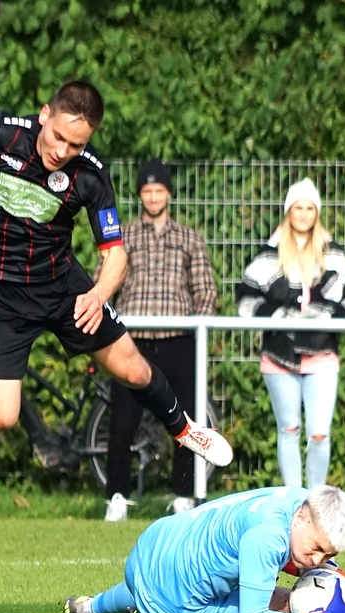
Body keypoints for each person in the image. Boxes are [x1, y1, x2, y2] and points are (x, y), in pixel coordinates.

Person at [0, 81, 232, 472]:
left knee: (134, 369)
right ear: (45, 115)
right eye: (58, 137)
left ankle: (185, 431)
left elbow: (115, 254)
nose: (62, 152)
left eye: (76, 145)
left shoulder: (91, 174)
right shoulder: (1, 132)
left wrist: (99, 294)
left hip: (62, 289)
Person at [64, 485, 345, 613]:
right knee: (282, 602)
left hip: (153, 545)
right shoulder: (269, 537)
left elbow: (298, 550)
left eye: (329, 555)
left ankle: (91, 607)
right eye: (317, 548)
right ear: (301, 518)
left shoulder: (298, 497)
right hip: (171, 605)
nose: (318, 560)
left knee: (169, 577)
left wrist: (327, 573)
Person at [102, 159, 217, 521]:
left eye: (159, 190)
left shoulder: (189, 239)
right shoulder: (123, 237)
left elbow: (205, 291)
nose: (153, 197)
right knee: (122, 421)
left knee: (184, 420)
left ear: (168, 193)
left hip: (177, 339)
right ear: (140, 195)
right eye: (147, 191)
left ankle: (183, 494)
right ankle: (117, 496)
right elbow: (104, 284)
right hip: (130, 340)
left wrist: (196, 329)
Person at [236, 178, 345, 489]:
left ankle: (316, 498)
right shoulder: (268, 255)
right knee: (289, 429)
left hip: (322, 353)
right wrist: (275, 315)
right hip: (279, 354)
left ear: (317, 212)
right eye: (298, 208)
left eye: (310, 208)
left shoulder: (336, 256)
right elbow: (245, 298)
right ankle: (293, 499)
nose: (304, 214)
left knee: (319, 433)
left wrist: (332, 316)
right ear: (288, 211)